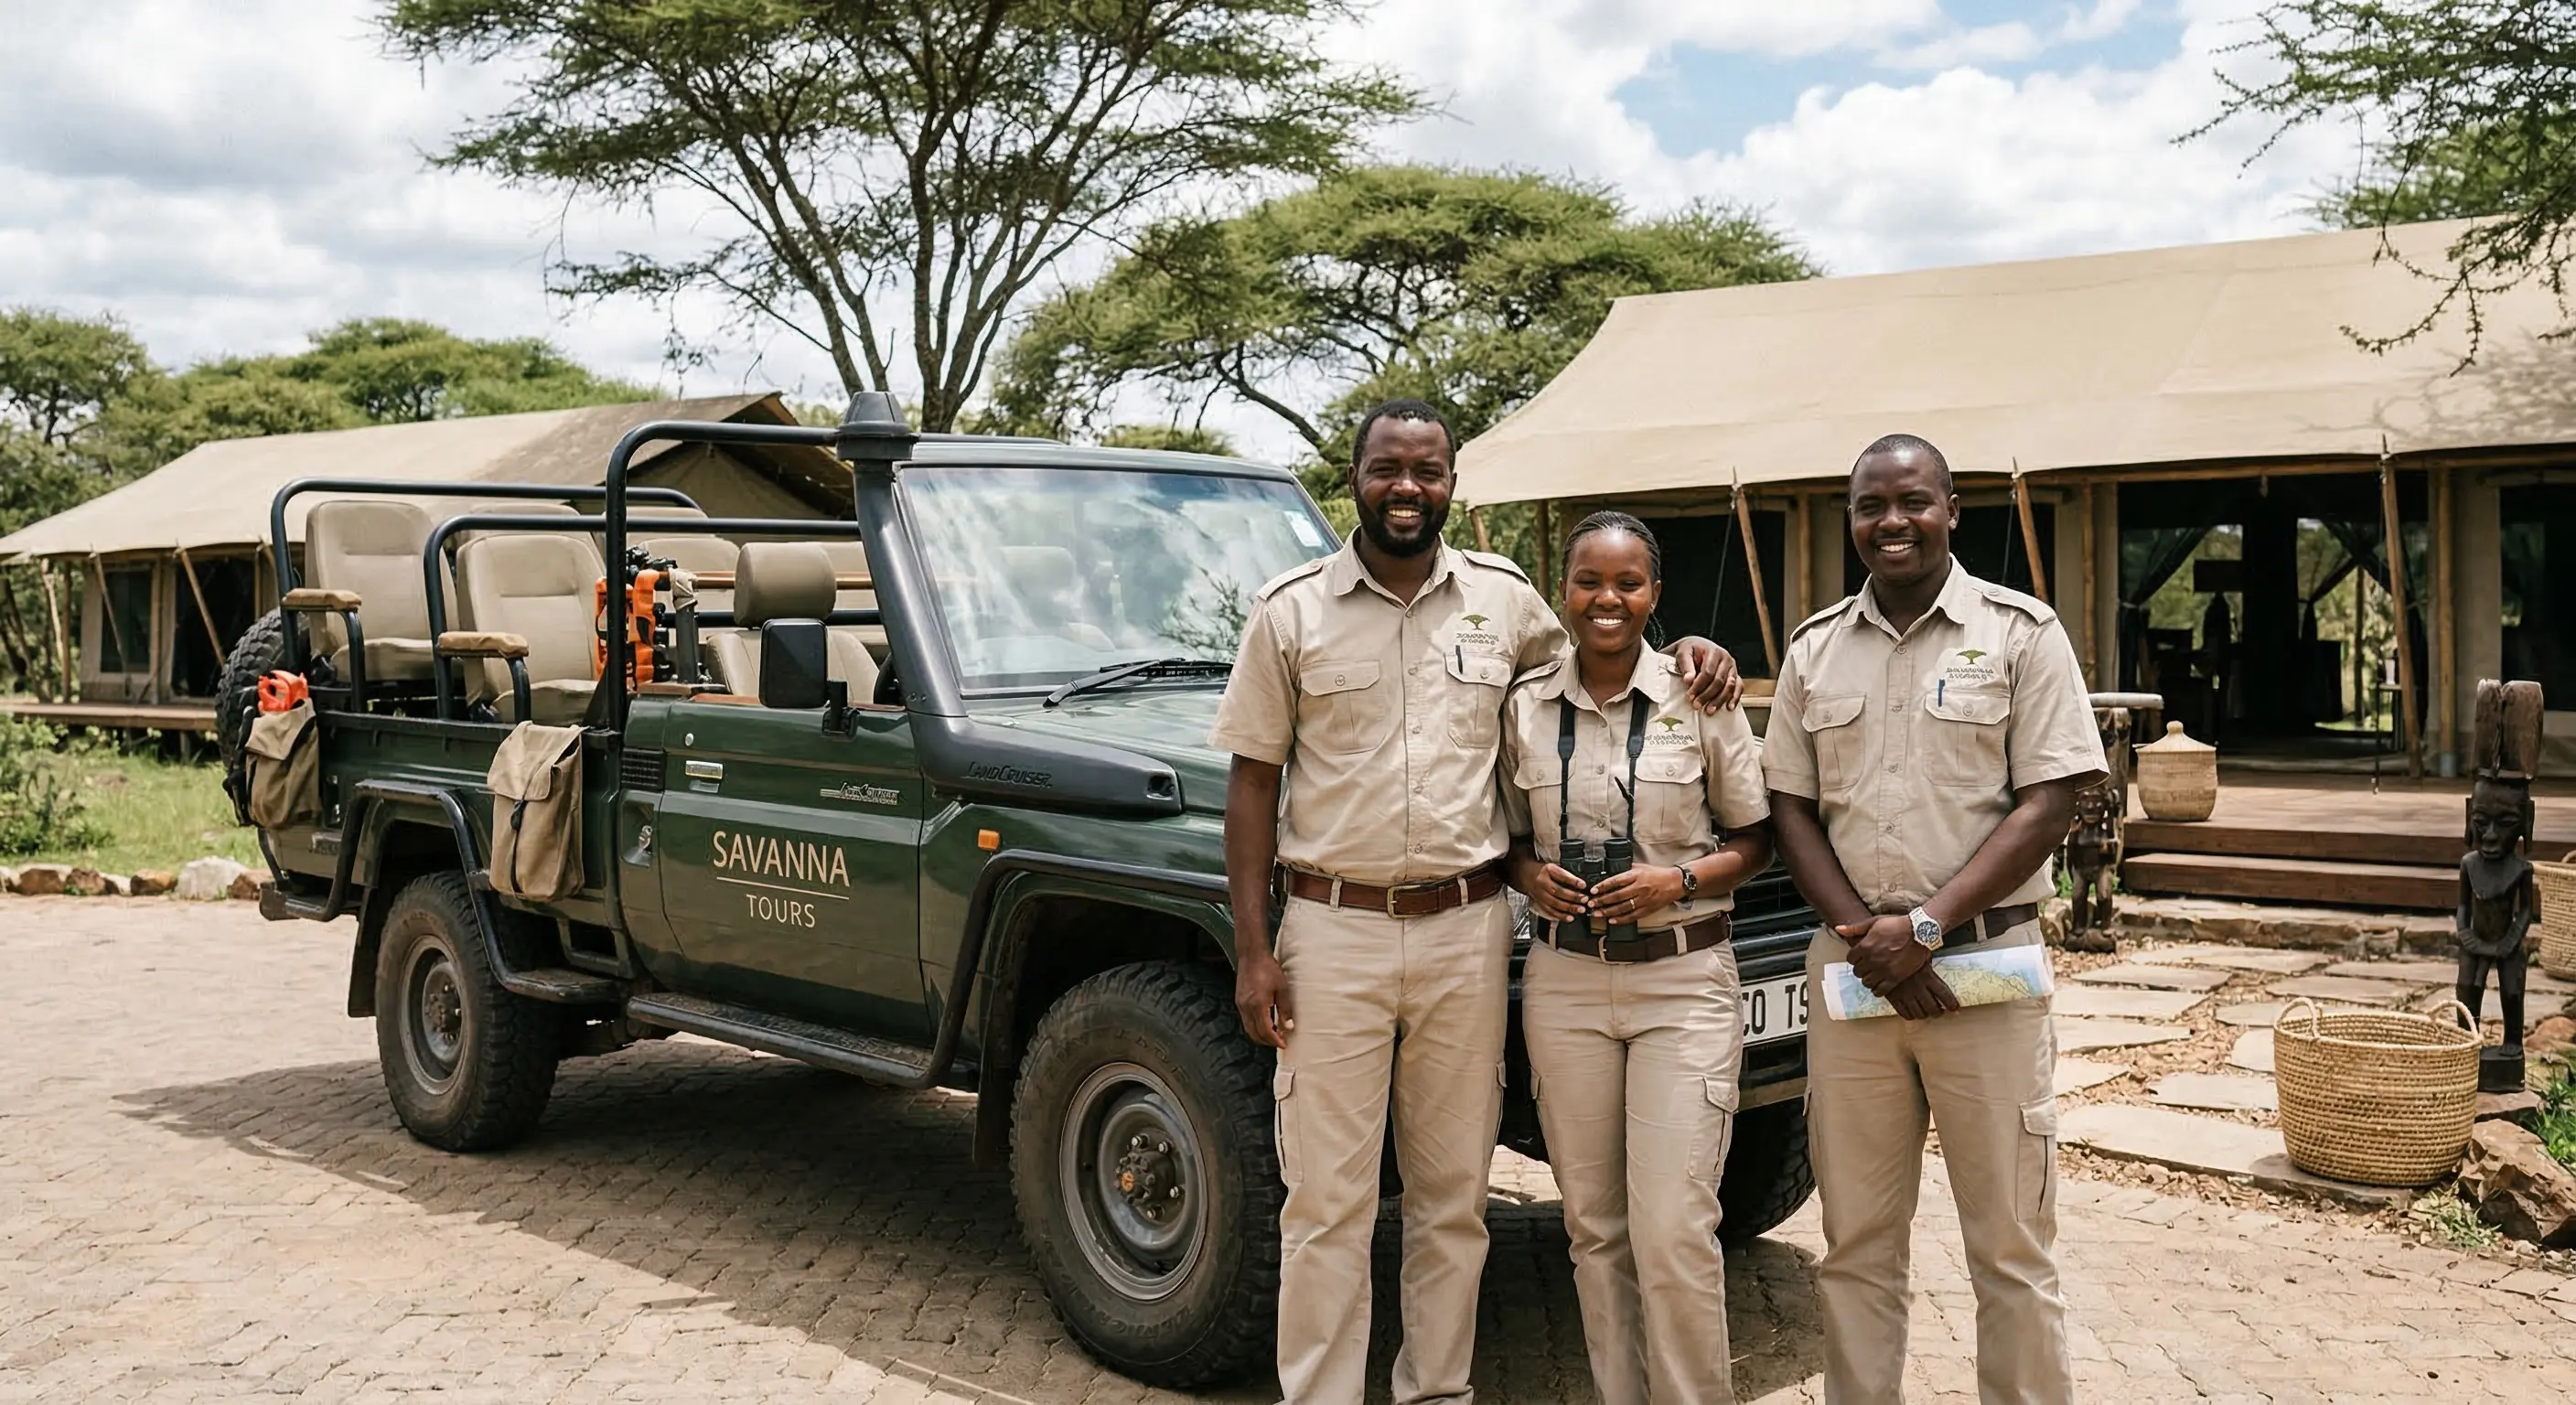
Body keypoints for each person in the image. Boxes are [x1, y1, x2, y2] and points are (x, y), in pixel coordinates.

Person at [1208, 399, 1740, 1404]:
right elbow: (1250, 783)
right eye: (1385, 469)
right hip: (1331, 932)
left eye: (1427, 471)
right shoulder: (1291, 609)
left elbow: (1600, 658)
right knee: (1326, 1202)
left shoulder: (1505, 603)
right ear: (1353, 477)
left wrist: (1693, 654)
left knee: (1452, 1199)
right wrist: (1254, 947)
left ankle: (1435, 1391)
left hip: (1468, 930)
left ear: (1453, 483)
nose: (1406, 488)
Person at [1762, 434, 2106, 1405]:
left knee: (2008, 1245)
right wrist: (1869, 938)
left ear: (1952, 508)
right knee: (1856, 1243)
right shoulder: (1812, 648)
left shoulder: (2019, 633)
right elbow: (1787, 804)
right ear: (1851, 521)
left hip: (1984, 971)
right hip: (1852, 977)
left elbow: (2051, 798)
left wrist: (1923, 929)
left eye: (1912, 501)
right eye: (1870, 505)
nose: (1890, 522)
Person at [1500, 512, 1773, 1405]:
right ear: (1564, 593)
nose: (1605, 598)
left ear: (1653, 594)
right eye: (1587, 581)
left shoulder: (1702, 694)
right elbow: (1506, 837)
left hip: (1681, 984)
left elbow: (1755, 839)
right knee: (1593, 1229)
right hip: (1566, 984)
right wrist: (1530, 875)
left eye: (1626, 583)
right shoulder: (1527, 704)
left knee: (1673, 1230)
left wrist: (1676, 881)